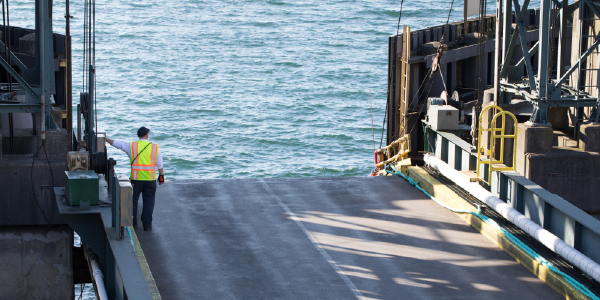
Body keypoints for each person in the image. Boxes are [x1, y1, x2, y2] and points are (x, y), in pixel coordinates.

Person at [106, 126, 164, 231]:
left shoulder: (132, 146)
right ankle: (147, 225)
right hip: (150, 180)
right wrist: (161, 176)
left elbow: (117, 144)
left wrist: (106, 139)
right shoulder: (155, 147)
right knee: (148, 202)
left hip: (135, 180)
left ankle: (133, 223)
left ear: (138, 136)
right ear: (147, 135)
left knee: (133, 201)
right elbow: (159, 164)